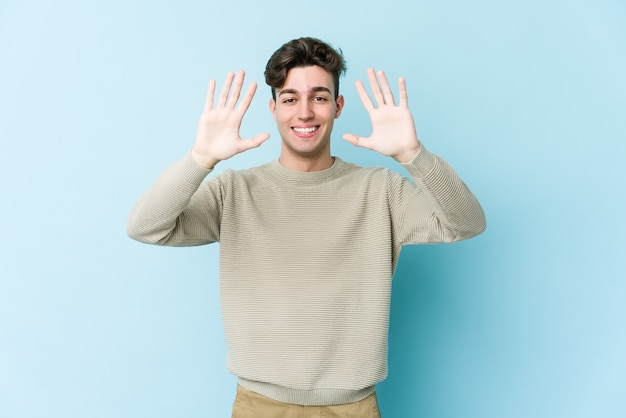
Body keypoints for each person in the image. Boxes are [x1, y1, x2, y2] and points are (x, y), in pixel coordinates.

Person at [127, 37, 486, 418]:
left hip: (353, 407)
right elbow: (146, 227)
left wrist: (413, 155)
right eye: (290, 98)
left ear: (337, 106)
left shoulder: (381, 190)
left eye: (319, 97)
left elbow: (466, 223)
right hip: (259, 405)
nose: (305, 113)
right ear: (274, 108)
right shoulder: (233, 191)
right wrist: (200, 159)